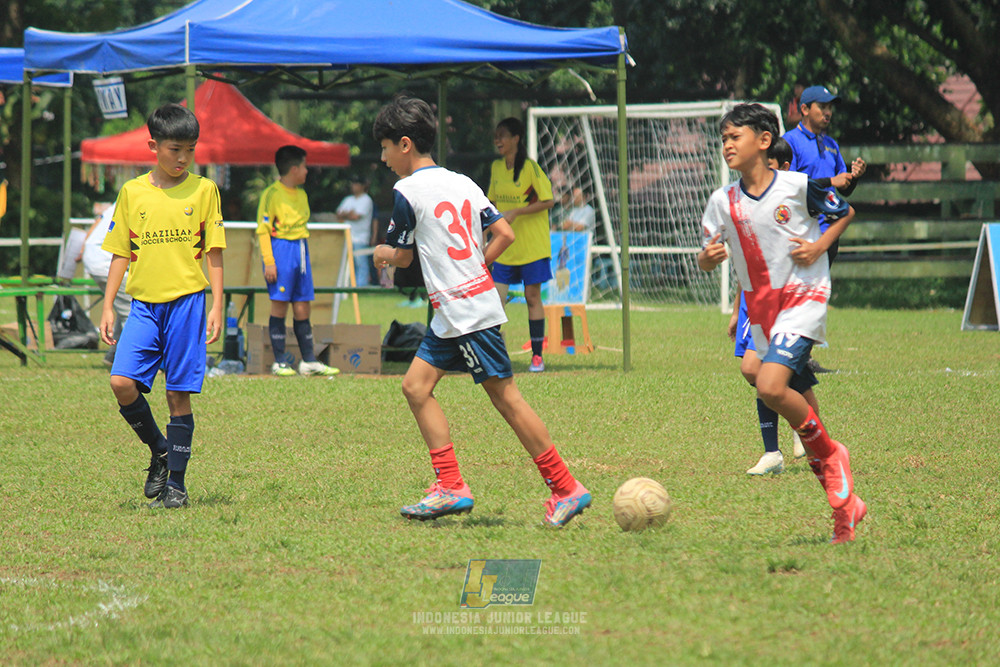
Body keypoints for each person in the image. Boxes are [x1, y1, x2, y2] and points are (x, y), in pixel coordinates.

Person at [371, 95, 591, 528]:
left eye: (383, 149)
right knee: (416, 387)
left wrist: (381, 252)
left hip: (466, 313)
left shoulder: (406, 191)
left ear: (403, 144)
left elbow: (401, 257)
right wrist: (476, 267)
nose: (382, 159)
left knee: (506, 398)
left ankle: (566, 487)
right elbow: (505, 232)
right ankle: (450, 486)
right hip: (456, 310)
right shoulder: (464, 182)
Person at [698, 103, 865, 543]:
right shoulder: (722, 202)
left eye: (736, 137)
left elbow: (843, 212)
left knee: (771, 386)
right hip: (763, 307)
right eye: (724, 140)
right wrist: (707, 258)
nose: (728, 145)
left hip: (802, 298)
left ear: (764, 141)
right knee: (752, 371)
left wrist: (817, 248)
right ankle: (845, 506)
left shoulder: (795, 187)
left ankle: (831, 457)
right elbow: (706, 255)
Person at [99, 103, 226, 510]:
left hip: (188, 303)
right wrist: (106, 306)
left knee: (177, 395)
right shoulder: (132, 192)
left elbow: (215, 252)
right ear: (153, 145)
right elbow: (121, 252)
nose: (183, 158)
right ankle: (159, 450)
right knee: (121, 382)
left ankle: (177, 487)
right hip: (143, 306)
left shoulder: (205, 190)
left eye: (190, 149)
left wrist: (217, 305)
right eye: (175, 149)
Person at [731, 136, 810, 475]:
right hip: (754, 298)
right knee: (755, 371)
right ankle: (774, 450)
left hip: (785, 297)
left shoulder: (794, 201)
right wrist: (737, 308)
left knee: (770, 374)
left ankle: (804, 435)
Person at [783, 85, 867, 371]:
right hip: (802, 230)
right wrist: (833, 182)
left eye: (831, 107)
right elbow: (787, 184)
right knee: (799, 292)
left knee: (817, 294)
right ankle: (794, 357)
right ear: (805, 109)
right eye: (822, 106)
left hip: (829, 230)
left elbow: (844, 191)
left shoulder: (831, 145)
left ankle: (801, 357)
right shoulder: (789, 141)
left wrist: (852, 178)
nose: (828, 112)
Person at [256, 145, 340, 377]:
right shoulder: (271, 194)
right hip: (281, 250)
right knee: (280, 305)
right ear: (294, 169)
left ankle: (309, 361)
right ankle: (280, 361)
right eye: (304, 166)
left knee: (303, 306)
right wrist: (269, 261)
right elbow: (262, 230)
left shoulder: (302, 194)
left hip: (301, 251)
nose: (307, 171)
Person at [487, 117, 555, 373]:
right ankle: (491, 356)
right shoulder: (496, 167)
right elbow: (490, 202)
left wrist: (516, 212)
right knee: (496, 300)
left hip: (532, 247)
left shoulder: (530, 168)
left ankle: (537, 357)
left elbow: (548, 201)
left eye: (502, 135)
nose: (498, 140)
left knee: (532, 296)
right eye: (496, 135)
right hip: (504, 247)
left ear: (516, 138)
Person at [80, 202, 131, 366]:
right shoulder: (138, 197)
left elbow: (97, 222)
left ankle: (113, 356)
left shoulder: (119, 202)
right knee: (135, 313)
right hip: (106, 261)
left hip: (95, 256)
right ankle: (133, 364)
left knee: (127, 308)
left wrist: (83, 249)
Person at [336, 175, 376, 287]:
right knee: (347, 263)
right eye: (353, 183)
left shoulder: (366, 200)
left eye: (356, 183)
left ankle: (361, 286)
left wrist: (346, 214)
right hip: (346, 236)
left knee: (360, 262)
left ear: (363, 186)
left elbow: (356, 216)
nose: (354, 186)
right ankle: (348, 286)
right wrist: (349, 214)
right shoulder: (348, 200)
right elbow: (338, 215)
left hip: (360, 237)